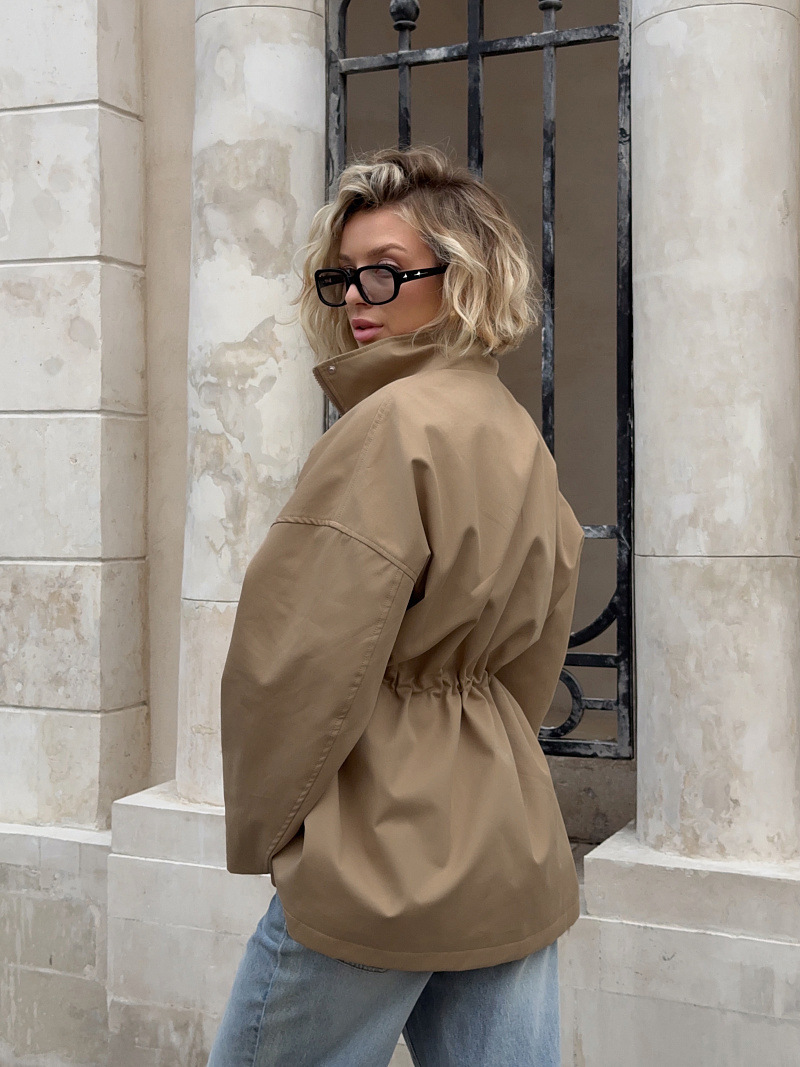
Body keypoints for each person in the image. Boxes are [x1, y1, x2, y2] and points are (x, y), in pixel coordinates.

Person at [207, 146, 585, 1067]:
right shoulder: (515, 432)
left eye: (385, 270)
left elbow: (294, 662)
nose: (357, 298)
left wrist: (270, 832)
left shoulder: (385, 426)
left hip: (376, 847)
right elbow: (536, 649)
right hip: (508, 832)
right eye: (343, 276)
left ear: (462, 276)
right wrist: (477, 743)